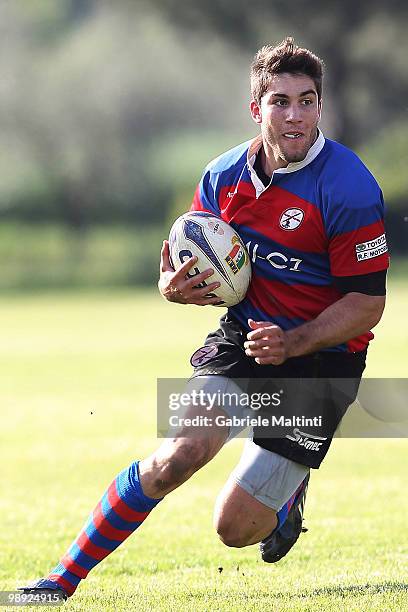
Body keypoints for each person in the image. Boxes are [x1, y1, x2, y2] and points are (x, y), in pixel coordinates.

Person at [19, 37, 389, 601]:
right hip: (243, 339)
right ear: (256, 108)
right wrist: (171, 285)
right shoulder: (222, 178)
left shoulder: (349, 186)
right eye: (281, 101)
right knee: (175, 458)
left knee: (234, 530)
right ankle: (58, 582)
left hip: (323, 362)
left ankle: (289, 495)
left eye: (308, 101)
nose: (296, 115)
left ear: (321, 105)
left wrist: (294, 343)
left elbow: (369, 304)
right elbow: (191, 254)